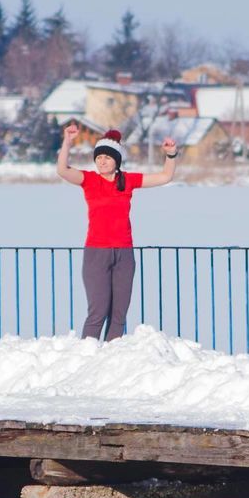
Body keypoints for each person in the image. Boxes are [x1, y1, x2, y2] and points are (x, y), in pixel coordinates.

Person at [56, 124, 178, 340]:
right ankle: (87, 358)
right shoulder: (89, 180)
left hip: (124, 253)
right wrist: (67, 142)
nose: (102, 161)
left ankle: (112, 361)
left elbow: (165, 177)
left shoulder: (127, 181)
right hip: (96, 253)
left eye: (107, 157)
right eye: (99, 157)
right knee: (98, 312)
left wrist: (171, 155)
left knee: (119, 315)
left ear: (117, 161)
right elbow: (62, 171)